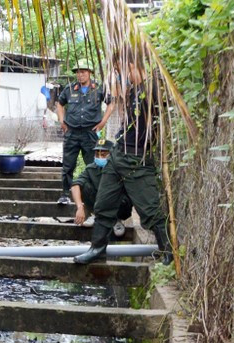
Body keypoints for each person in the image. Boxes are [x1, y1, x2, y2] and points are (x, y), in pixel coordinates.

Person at [75, 56, 171, 265]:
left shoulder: (152, 88)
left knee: (149, 208)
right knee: (103, 203)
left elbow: (162, 117)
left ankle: (168, 252)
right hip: (118, 155)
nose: (120, 76)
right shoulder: (134, 90)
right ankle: (97, 249)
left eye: (120, 70)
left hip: (137, 158)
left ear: (131, 64)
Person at [56, 59, 114, 205]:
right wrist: (62, 121)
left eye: (83, 72)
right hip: (72, 133)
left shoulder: (99, 89)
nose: (80, 75)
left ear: (89, 73)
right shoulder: (70, 89)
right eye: (78, 72)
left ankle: (94, 195)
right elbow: (60, 104)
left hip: (90, 133)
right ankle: (65, 194)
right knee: (68, 165)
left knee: (93, 164)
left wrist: (103, 122)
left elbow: (111, 104)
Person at [70, 138, 131, 238]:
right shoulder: (91, 168)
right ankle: (95, 216)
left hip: (118, 205)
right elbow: (75, 185)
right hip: (99, 205)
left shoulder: (121, 168)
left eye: (103, 154)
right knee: (84, 186)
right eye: (97, 154)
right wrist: (80, 207)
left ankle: (115, 220)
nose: (99, 157)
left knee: (120, 195)